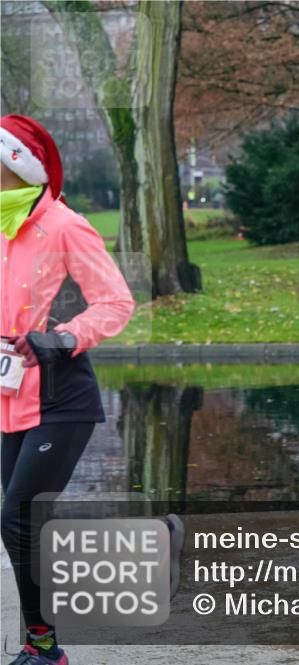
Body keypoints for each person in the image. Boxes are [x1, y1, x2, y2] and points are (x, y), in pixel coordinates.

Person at [1, 114, 148, 665]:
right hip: (11, 397)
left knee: (17, 518)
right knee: (25, 526)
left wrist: (61, 338)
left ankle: (44, 649)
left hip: (62, 398)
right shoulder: (2, 228)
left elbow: (116, 302)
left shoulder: (65, 226)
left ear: (16, 167)